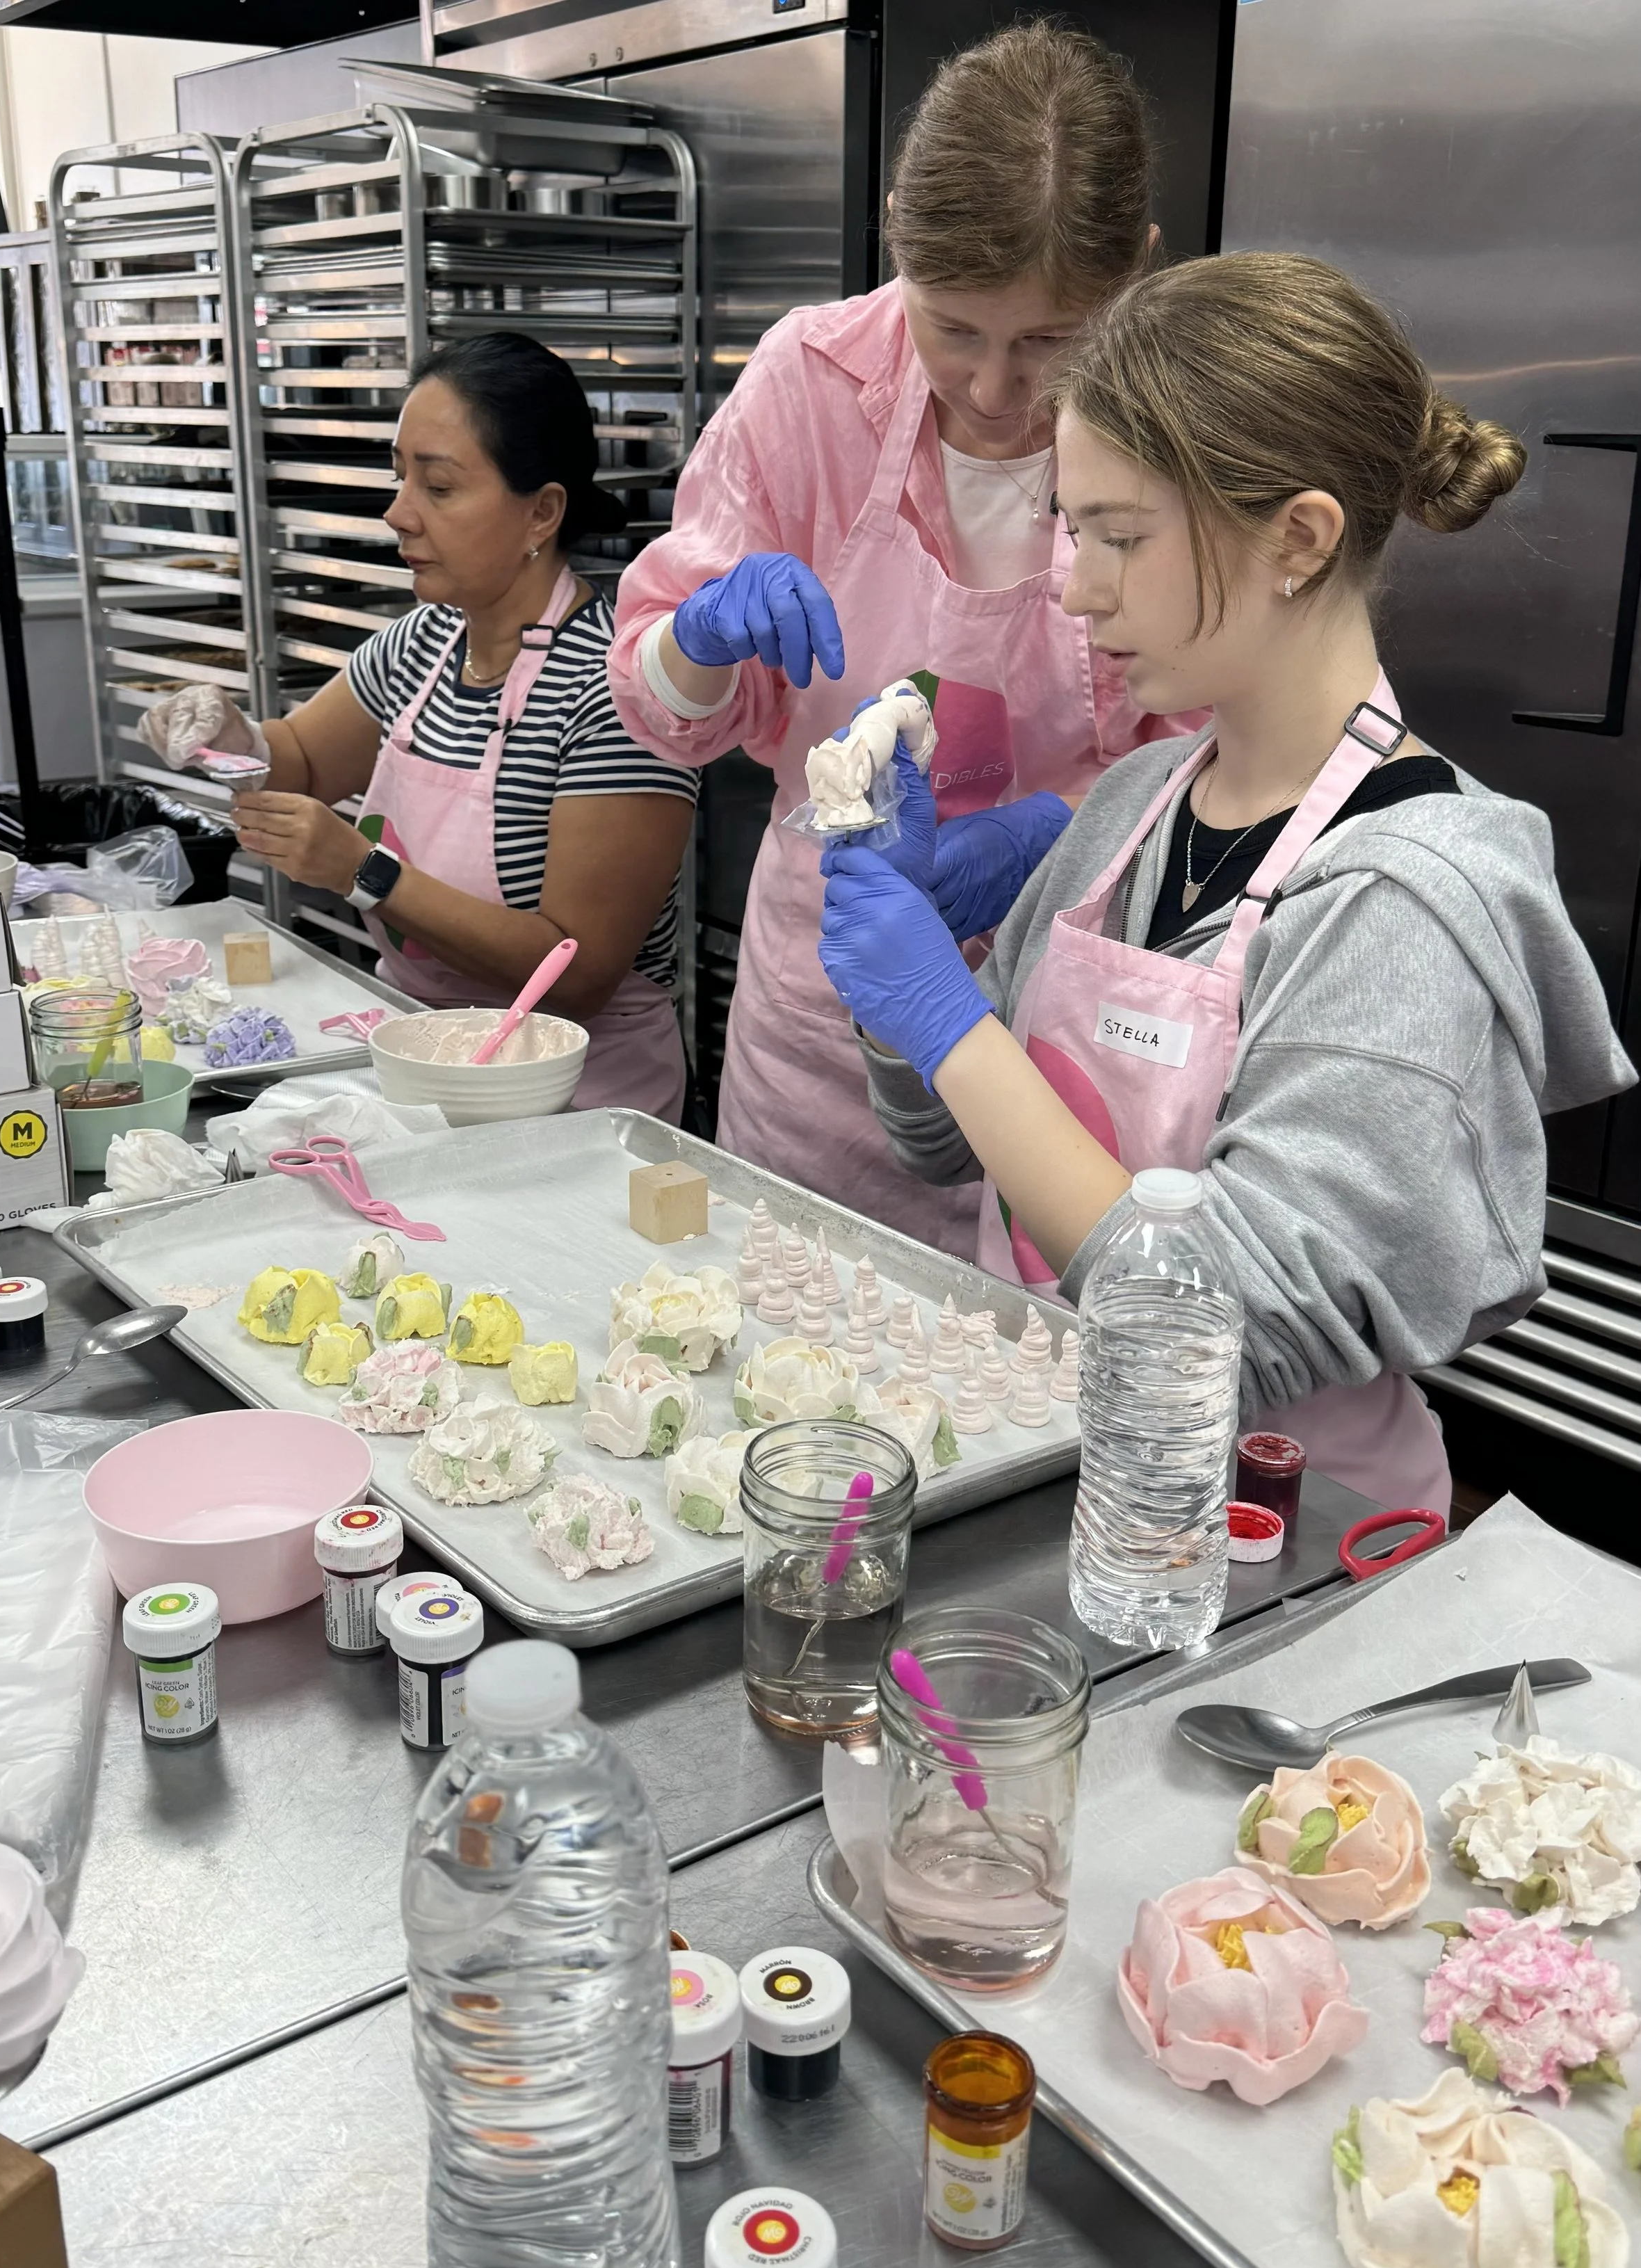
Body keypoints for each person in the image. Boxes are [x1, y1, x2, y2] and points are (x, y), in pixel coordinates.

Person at [819, 250, 1636, 1515]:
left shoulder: (1406, 899)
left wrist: (951, 1020)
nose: (1074, 588)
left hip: (1292, 1556)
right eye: (1069, 527)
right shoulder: (1131, 818)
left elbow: (1223, 1334)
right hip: (1069, 1493)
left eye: (1121, 536)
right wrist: (901, 977)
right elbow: (941, 1147)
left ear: (1298, 539)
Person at [608, 24, 1197, 1251]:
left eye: (1049, 340)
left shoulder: (1185, 425)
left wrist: (1048, 838)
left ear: (1137, 269)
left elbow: (1220, 754)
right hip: (829, 1005)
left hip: (1073, 1013)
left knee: (1028, 1352)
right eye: (955, 330)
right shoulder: (810, 382)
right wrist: (702, 640)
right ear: (897, 242)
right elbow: (656, 703)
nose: (994, 389)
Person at [139, 332, 699, 1123]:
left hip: (575, 1098)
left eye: (437, 486)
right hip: (424, 1060)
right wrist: (230, 739)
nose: (397, 514)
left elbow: (577, 972)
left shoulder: (614, 686)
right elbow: (297, 760)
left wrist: (365, 873)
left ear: (541, 510)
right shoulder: (427, 640)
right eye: (399, 477)